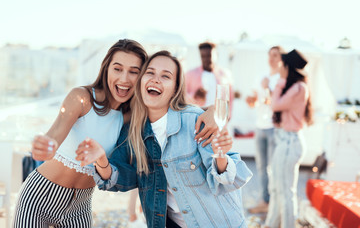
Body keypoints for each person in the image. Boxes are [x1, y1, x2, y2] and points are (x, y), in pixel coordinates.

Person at [76, 50, 253, 228]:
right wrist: (101, 160)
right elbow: (121, 179)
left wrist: (221, 156)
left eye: (165, 76)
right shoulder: (133, 132)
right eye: (150, 73)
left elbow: (226, 182)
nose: (156, 79)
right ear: (141, 82)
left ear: (175, 89)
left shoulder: (194, 121)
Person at [12, 39, 148, 227]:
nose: (124, 79)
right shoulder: (82, 98)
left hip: (80, 207)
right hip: (38, 198)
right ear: (106, 68)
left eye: (134, 72)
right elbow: (55, 135)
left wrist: (205, 112)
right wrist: (46, 147)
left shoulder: (129, 117)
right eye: (117, 68)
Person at [264, 49, 313, 228]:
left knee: (286, 192)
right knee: (276, 189)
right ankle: (270, 224)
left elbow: (276, 105)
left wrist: (280, 81)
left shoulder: (299, 87)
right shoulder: (296, 86)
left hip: (290, 142)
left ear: (287, 67)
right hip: (285, 141)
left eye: (282, 64)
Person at [246, 46, 284, 214]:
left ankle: (275, 203)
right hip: (259, 126)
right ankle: (264, 200)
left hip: (274, 128)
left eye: (275, 55)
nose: (271, 58)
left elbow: (276, 104)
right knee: (261, 167)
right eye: (270, 55)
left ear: (281, 58)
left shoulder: (282, 79)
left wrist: (268, 89)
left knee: (273, 167)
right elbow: (254, 101)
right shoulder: (260, 76)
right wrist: (251, 99)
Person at [185, 42, 233, 111]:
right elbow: (182, 96)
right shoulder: (190, 74)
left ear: (216, 55)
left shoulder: (225, 74)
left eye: (209, 56)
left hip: (218, 116)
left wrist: (227, 117)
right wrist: (194, 95)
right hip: (197, 116)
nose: (206, 59)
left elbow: (230, 98)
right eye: (203, 56)